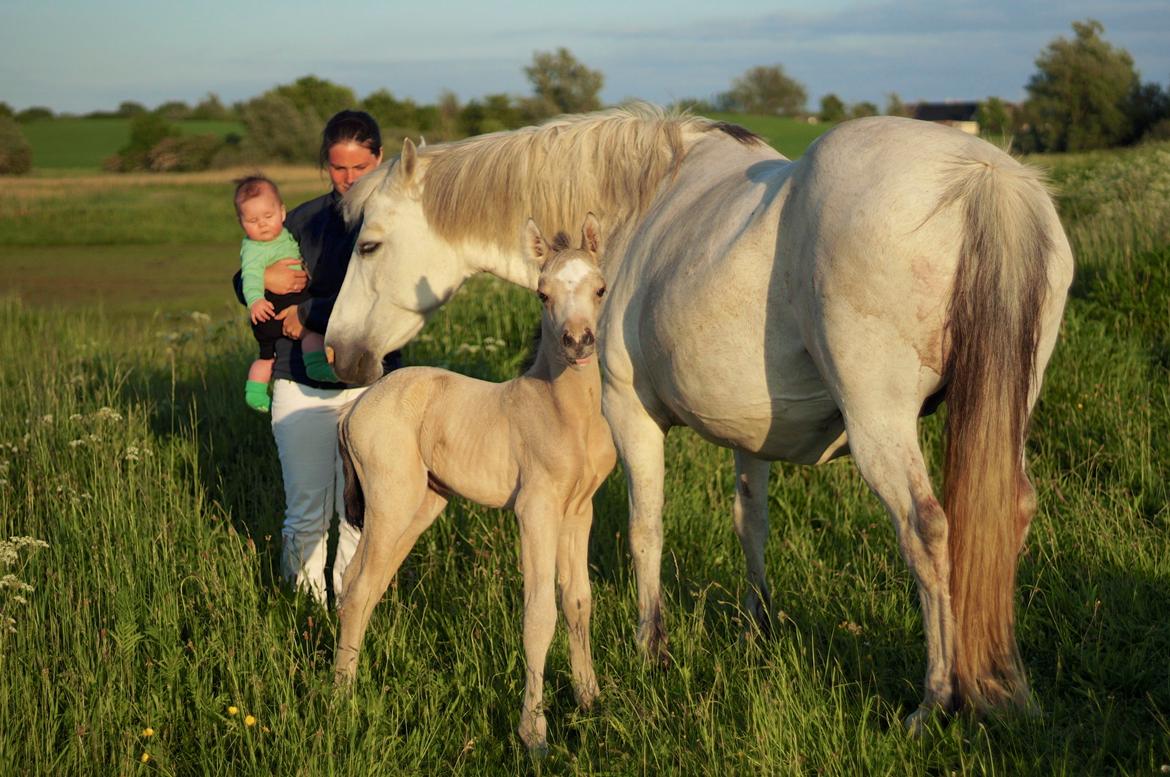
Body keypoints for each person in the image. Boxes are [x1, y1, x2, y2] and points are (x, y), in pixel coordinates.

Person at [233, 109, 400, 605]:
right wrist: (263, 282)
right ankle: (305, 614)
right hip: (298, 382)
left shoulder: (400, 225)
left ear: (380, 159)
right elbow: (242, 274)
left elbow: (387, 298)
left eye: (359, 167)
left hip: (372, 387)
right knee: (306, 510)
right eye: (337, 168)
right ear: (325, 165)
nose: (348, 179)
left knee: (363, 509)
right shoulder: (301, 219)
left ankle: (352, 607)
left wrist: (309, 312)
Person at [235, 174, 337, 413]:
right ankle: (316, 367)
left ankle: (255, 390)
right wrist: (256, 300)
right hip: (272, 306)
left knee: (266, 357)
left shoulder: (284, 233)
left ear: (282, 213)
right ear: (241, 223)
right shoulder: (252, 250)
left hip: (267, 314)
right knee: (311, 333)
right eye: (252, 220)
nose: (261, 224)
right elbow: (248, 277)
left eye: (267, 217)